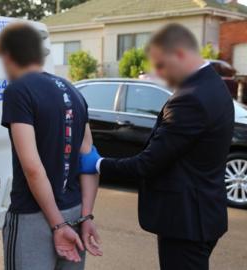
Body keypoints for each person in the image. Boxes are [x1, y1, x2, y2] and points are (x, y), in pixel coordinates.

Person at [80, 24, 234, 270]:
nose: (160, 74)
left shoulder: (190, 99)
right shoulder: (214, 85)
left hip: (186, 223)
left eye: (162, 66)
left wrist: (97, 164)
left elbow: (147, 164)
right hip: (204, 212)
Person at [0, 23, 102, 270]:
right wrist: (86, 216)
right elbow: (89, 159)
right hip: (75, 211)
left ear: (8, 56)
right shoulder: (72, 90)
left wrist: (57, 225)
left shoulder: (18, 91)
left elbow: (33, 168)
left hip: (34, 216)